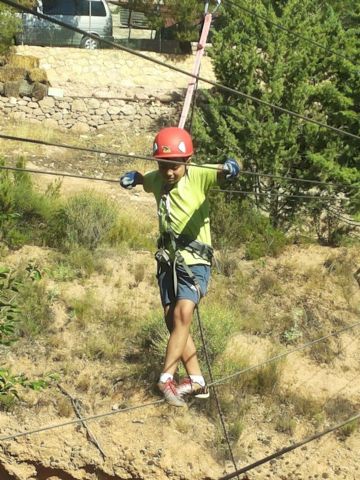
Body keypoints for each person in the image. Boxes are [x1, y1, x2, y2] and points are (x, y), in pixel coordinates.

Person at [120, 127, 240, 407]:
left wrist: (232, 167)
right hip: (167, 262)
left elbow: (223, 168)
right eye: (163, 166)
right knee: (172, 319)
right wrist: (135, 178)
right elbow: (145, 180)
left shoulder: (197, 174)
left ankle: (166, 378)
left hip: (194, 261)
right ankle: (196, 380)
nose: (169, 172)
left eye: (174, 166)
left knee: (184, 312)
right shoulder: (157, 179)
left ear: (186, 162)